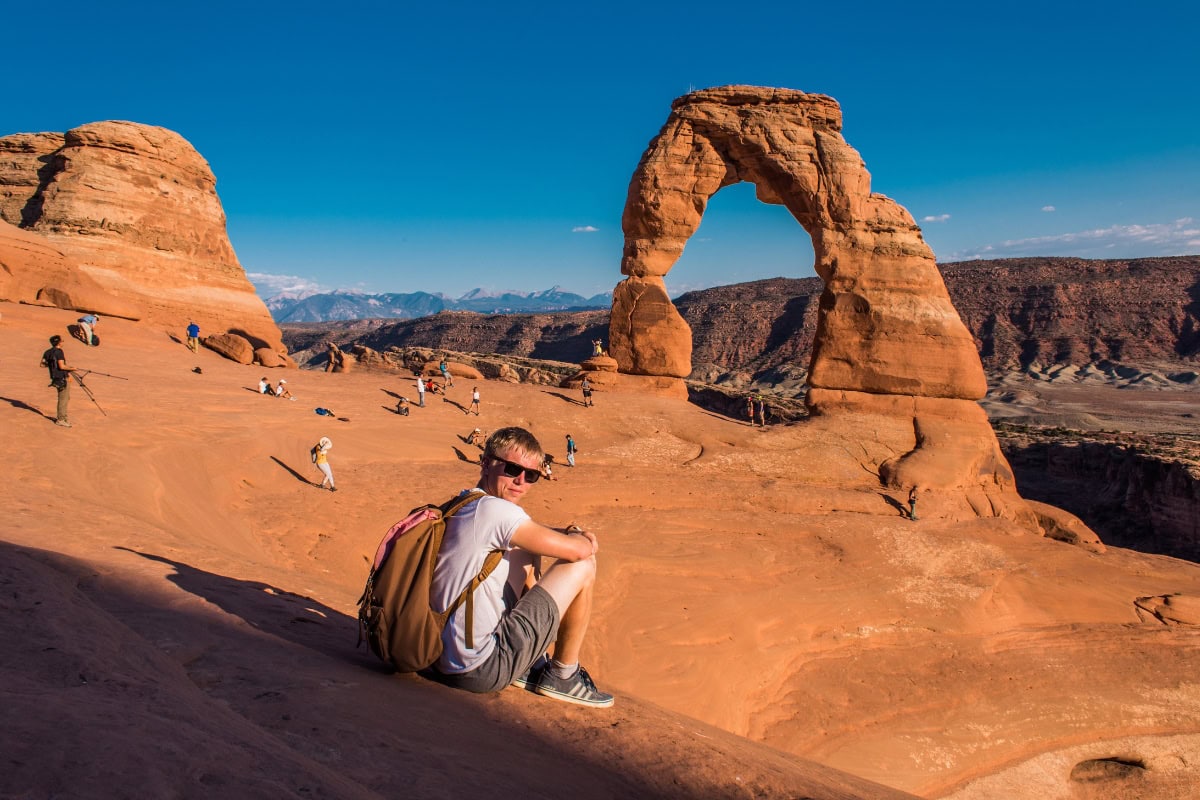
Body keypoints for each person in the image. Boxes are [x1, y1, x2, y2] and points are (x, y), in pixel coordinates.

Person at [428, 426, 613, 707]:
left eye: (532, 475)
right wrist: (579, 533)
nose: (521, 481)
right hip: (478, 669)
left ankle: (531, 662)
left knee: (526, 551)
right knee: (585, 564)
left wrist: (563, 532)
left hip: (438, 655)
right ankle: (564, 675)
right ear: (486, 463)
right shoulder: (499, 512)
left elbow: (529, 534)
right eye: (512, 469)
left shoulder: (465, 502)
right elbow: (580, 551)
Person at [41, 334, 74, 428]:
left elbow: (42, 364)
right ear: (59, 342)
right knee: (63, 399)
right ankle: (61, 419)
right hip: (62, 378)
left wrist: (52, 365)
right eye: (62, 340)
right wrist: (73, 368)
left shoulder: (47, 352)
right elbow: (62, 366)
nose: (63, 342)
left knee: (64, 398)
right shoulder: (59, 352)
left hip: (55, 378)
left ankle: (63, 417)